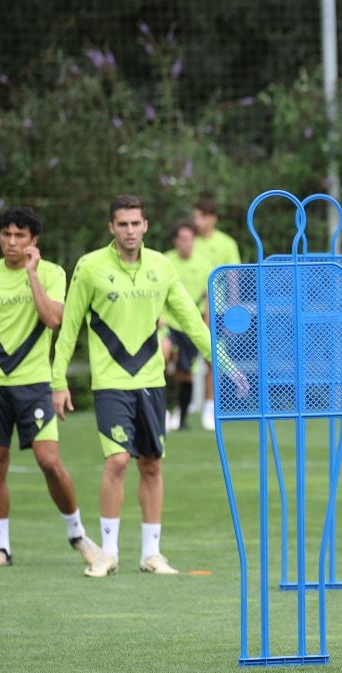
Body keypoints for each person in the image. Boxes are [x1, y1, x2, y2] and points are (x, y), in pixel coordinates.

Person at [51, 195, 216, 577]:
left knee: (152, 465)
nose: (129, 231)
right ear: (111, 227)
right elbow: (70, 325)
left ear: (145, 226)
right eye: (122, 224)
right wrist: (58, 381)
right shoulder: (90, 267)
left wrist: (224, 363)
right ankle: (107, 553)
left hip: (151, 382)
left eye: (135, 224)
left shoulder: (161, 266)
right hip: (110, 383)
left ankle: (152, 554)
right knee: (118, 460)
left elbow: (191, 321)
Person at [0, 206, 102, 570]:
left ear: (33, 241)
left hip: (35, 383)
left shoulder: (52, 273)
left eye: (19, 236)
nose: (11, 242)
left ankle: (78, 535)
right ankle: (1, 549)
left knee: (49, 461)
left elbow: (53, 319)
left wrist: (32, 275)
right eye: (6, 234)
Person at [191, 199, 241, 431]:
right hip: (189, 309)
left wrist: (233, 311)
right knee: (185, 359)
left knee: (214, 357)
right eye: (194, 217)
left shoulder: (226, 243)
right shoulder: (189, 240)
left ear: (213, 218)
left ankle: (211, 408)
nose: (196, 222)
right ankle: (189, 403)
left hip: (217, 310)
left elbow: (233, 277)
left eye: (200, 216)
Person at [161, 220, 211, 431]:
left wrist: (206, 325)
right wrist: (157, 316)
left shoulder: (204, 266)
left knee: (185, 373)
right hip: (167, 322)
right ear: (175, 241)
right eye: (183, 239)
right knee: (161, 354)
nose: (188, 243)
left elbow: (209, 299)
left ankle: (181, 418)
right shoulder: (163, 261)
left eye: (191, 239)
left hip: (190, 325)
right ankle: (160, 411)